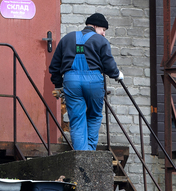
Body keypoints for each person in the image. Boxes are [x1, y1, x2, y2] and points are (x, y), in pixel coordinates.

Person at [48, 12, 123, 151]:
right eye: (103, 30)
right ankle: (90, 153)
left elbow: (54, 66)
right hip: (93, 81)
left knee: (77, 120)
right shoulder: (101, 41)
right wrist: (117, 74)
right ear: (95, 26)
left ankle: (81, 155)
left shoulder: (67, 38)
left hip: (71, 81)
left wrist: (58, 84)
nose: (104, 34)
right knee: (94, 116)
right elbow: (108, 64)